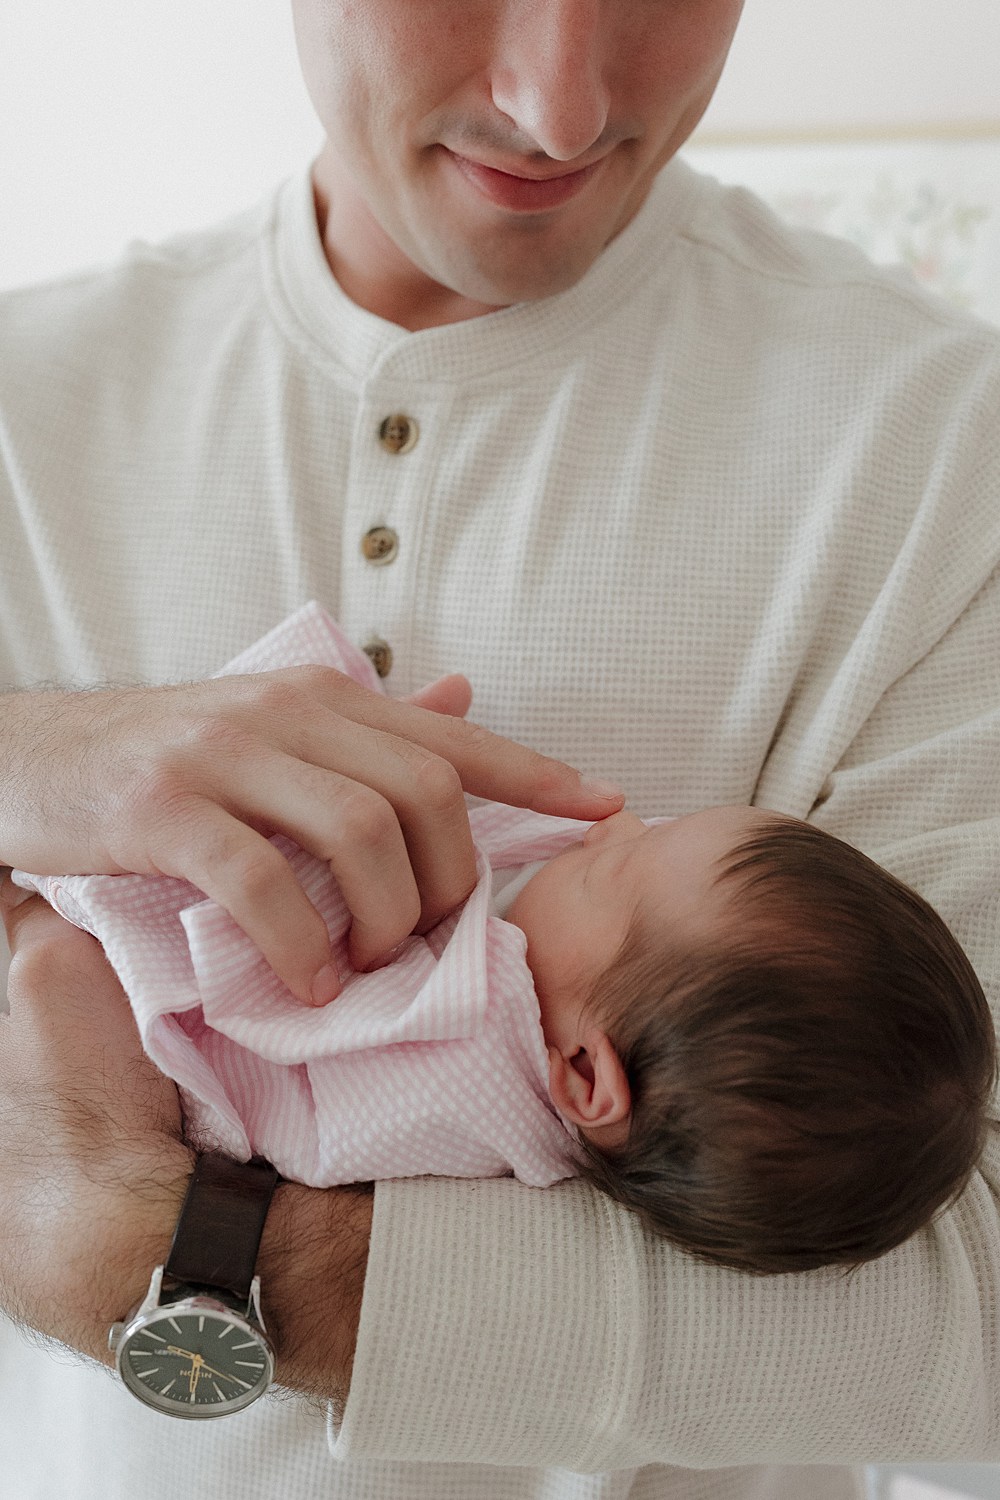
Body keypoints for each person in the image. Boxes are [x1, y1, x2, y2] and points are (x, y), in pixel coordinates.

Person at [0, 0, 999, 1495]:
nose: (558, 104)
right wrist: (34, 754)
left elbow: (972, 1301)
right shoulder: (28, 401)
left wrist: (145, 1254)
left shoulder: (943, 455)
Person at [17, 604, 997, 1282]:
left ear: (584, 1073)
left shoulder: (465, 1069)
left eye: (621, 868)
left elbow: (301, 1022)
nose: (614, 827)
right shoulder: (567, 1023)